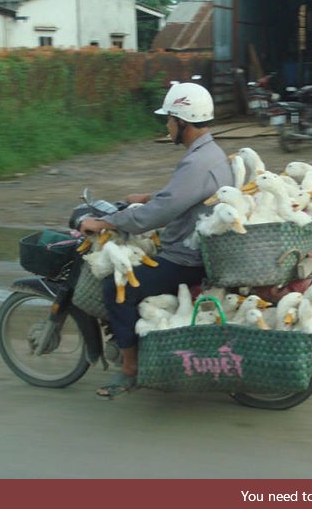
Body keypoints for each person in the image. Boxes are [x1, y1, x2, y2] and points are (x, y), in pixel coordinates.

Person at [79, 82, 234, 399]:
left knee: (115, 290)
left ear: (183, 122)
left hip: (185, 260)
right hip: (198, 248)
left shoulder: (195, 163)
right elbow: (183, 197)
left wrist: (105, 221)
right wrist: (148, 196)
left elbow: (154, 216)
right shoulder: (213, 153)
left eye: (169, 119)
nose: (167, 125)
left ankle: (129, 371)